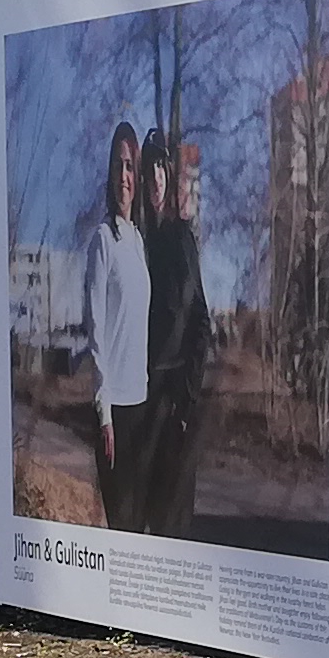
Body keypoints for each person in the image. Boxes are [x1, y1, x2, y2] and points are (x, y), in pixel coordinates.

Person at [136, 132, 214, 538]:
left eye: (160, 170)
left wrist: (185, 401)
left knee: (172, 529)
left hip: (173, 407)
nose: (155, 180)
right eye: (147, 171)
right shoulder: (136, 244)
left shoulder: (180, 238)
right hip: (140, 407)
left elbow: (201, 321)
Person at [85, 125, 150, 524]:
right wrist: (104, 414)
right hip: (115, 415)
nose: (124, 176)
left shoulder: (138, 242)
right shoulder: (102, 240)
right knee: (122, 530)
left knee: (139, 529)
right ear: (109, 175)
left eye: (130, 166)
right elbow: (96, 333)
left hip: (141, 406)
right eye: (118, 166)